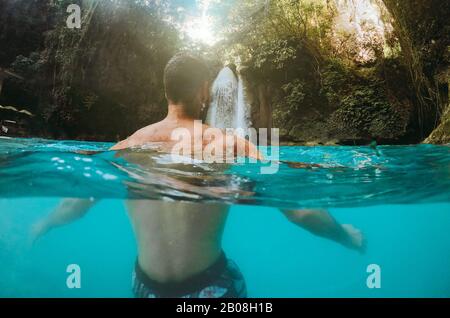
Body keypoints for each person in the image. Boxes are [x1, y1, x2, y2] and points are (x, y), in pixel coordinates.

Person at [32, 53, 365, 298]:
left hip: (144, 288)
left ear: (166, 92)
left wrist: (43, 224)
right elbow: (301, 209)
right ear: (204, 90)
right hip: (211, 289)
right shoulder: (228, 144)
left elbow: (74, 205)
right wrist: (345, 236)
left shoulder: (127, 146)